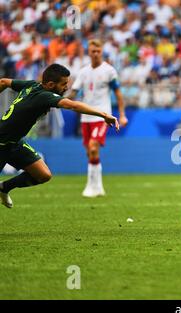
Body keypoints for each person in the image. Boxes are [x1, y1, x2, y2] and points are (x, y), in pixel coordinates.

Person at [0, 63, 119, 209]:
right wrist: (104, 114)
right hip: (1, 143)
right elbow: (72, 105)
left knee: (43, 175)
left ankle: (4, 187)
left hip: (14, 142)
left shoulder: (32, 85)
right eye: (64, 84)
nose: (66, 87)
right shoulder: (44, 96)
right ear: (50, 84)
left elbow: (4, 82)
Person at [68, 39, 128, 198]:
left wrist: (122, 115)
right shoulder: (83, 72)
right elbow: (73, 93)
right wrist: (57, 99)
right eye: (92, 51)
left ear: (102, 52)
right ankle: (98, 186)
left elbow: (118, 94)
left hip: (103, 116)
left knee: (94, 147)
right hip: (86, 118)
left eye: (98, 51)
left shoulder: (109, 71)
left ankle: (90, 187)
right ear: (89, 52)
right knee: (90, 152)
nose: (95, 54)